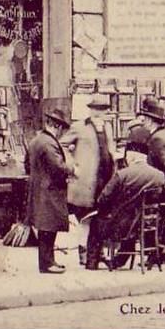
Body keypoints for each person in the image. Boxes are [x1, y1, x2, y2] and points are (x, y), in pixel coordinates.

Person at [85, 148, 165, 270]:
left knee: (95, 224)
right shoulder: (159, 175)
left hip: (121, 225)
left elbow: (103, 198)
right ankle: (118, 261)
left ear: (131, 159)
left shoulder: (122, 174)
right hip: (147, 224)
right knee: (130, 226)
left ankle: (92, 263)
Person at [61, 94, 117, 265]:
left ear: (107, 111)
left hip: (105, 179)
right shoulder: (79, 127)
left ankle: (96, 253)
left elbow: (110, 148)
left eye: (102, 109)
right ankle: (84, 253)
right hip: (86, 181)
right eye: (95, 109)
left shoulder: (108, 127)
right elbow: (62, 145)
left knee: (101, 218)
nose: (98, 113)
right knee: (86, 218)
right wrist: (72, 164)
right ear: (90, 110)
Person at [26, 108, 75, 274]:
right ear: (58, 127)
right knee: (48, 229)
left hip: (40, 189)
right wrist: (72, 169)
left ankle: (49, 261)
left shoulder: (36, 140)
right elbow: (58, 167)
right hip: (49, 192)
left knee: (46, 228)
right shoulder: (49, 143)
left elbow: (27, 164)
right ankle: (47, 264)